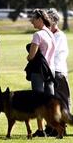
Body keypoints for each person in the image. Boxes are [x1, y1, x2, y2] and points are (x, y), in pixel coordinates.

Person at [25, 9, 55, 137]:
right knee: (49, 100)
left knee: (38, 101)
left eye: (33, 19)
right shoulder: (50, 33)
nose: (31, 21)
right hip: (50, 69)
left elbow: (31, 56)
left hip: (39, 71)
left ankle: (41, 129)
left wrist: (27, 57)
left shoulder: (38, 35)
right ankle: (53, 127)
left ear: (40, 19)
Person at [46, 9, 71, 137]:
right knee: (50, 101)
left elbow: (58, 55)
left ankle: (63, 126)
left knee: (62, 100)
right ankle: (50, 127)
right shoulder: (47, 34)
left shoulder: (60, 36)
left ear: (54, 21)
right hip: (48, 71)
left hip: (58, 71)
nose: (46, 21)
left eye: (48, 19)